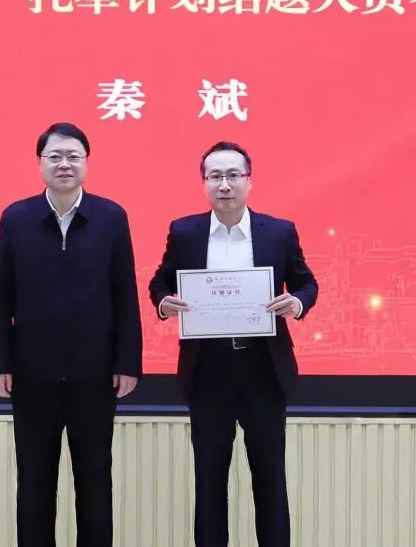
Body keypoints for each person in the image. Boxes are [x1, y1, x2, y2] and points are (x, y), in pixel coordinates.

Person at [148, 141, 318, 547]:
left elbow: (307, 283)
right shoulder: (184, 232)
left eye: (233, 175)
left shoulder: (278, 231)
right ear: (204, 183)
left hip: (263, 370)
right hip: (208, 370)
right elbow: (160, 281)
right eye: (215, 176)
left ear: (249, 181)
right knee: (209, 480)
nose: (224, 185)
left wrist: (296, 303)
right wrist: (163, 303)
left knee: (270, 478)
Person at [0, 122, 142, 547]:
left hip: (95, 374)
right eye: (55, 156)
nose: (64, 164)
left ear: (86, 162)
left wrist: (127, 362)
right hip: (32, 374)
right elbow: (0, 294)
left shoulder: (111, 217)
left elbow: (125, 293)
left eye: (73, 156)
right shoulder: (17, 218)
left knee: (95, 481)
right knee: (35, 481)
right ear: (40, 164)